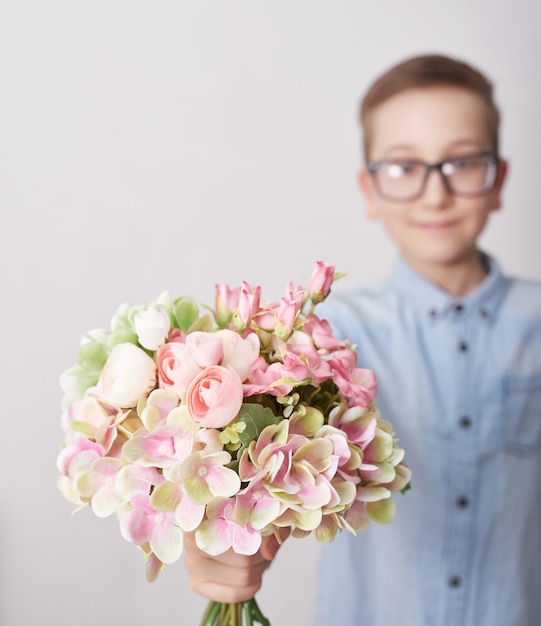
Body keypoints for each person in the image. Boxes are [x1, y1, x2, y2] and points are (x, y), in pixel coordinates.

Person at [183, 54, 541, 625]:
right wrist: (222, 542)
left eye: (463, 163)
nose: (435, 193)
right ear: (369, 189)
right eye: (403, 167)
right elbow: (271, 483)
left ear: (498, 180)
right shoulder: (322, 340)